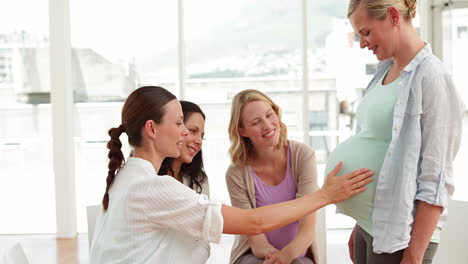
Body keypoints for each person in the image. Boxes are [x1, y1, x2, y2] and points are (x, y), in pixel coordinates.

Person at [89, 86, 373, 264]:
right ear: (152, 129)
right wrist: (326, 195)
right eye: (178, 123)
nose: (184, 133)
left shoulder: (126, 177)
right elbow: (254, 222)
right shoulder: (151, 187)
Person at [324, 1, 465, 263]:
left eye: (366, 32)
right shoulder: (384, 71)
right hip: (372, 225)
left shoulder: (432, 77)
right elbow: (376, 146)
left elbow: (436, 178)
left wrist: (413, 256)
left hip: (403, 236)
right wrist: (359, 223)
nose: (363, 43)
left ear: (391, 16)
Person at [225, 89, 371, 264]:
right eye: (256, 122)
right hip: (255, 256)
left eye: (269, 115)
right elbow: (257, 242)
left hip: (299, 254)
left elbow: (307, 230)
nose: (267, 125)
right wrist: (275, 259)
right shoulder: (236, 173)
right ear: (242, 131)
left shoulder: (302, 155)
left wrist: (286, 256)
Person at [158, 100, 210, 263]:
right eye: (193, 130)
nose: (199, 141)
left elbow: (204, 240)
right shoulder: (148, 180)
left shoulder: (199, 180)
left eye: (202, 135)